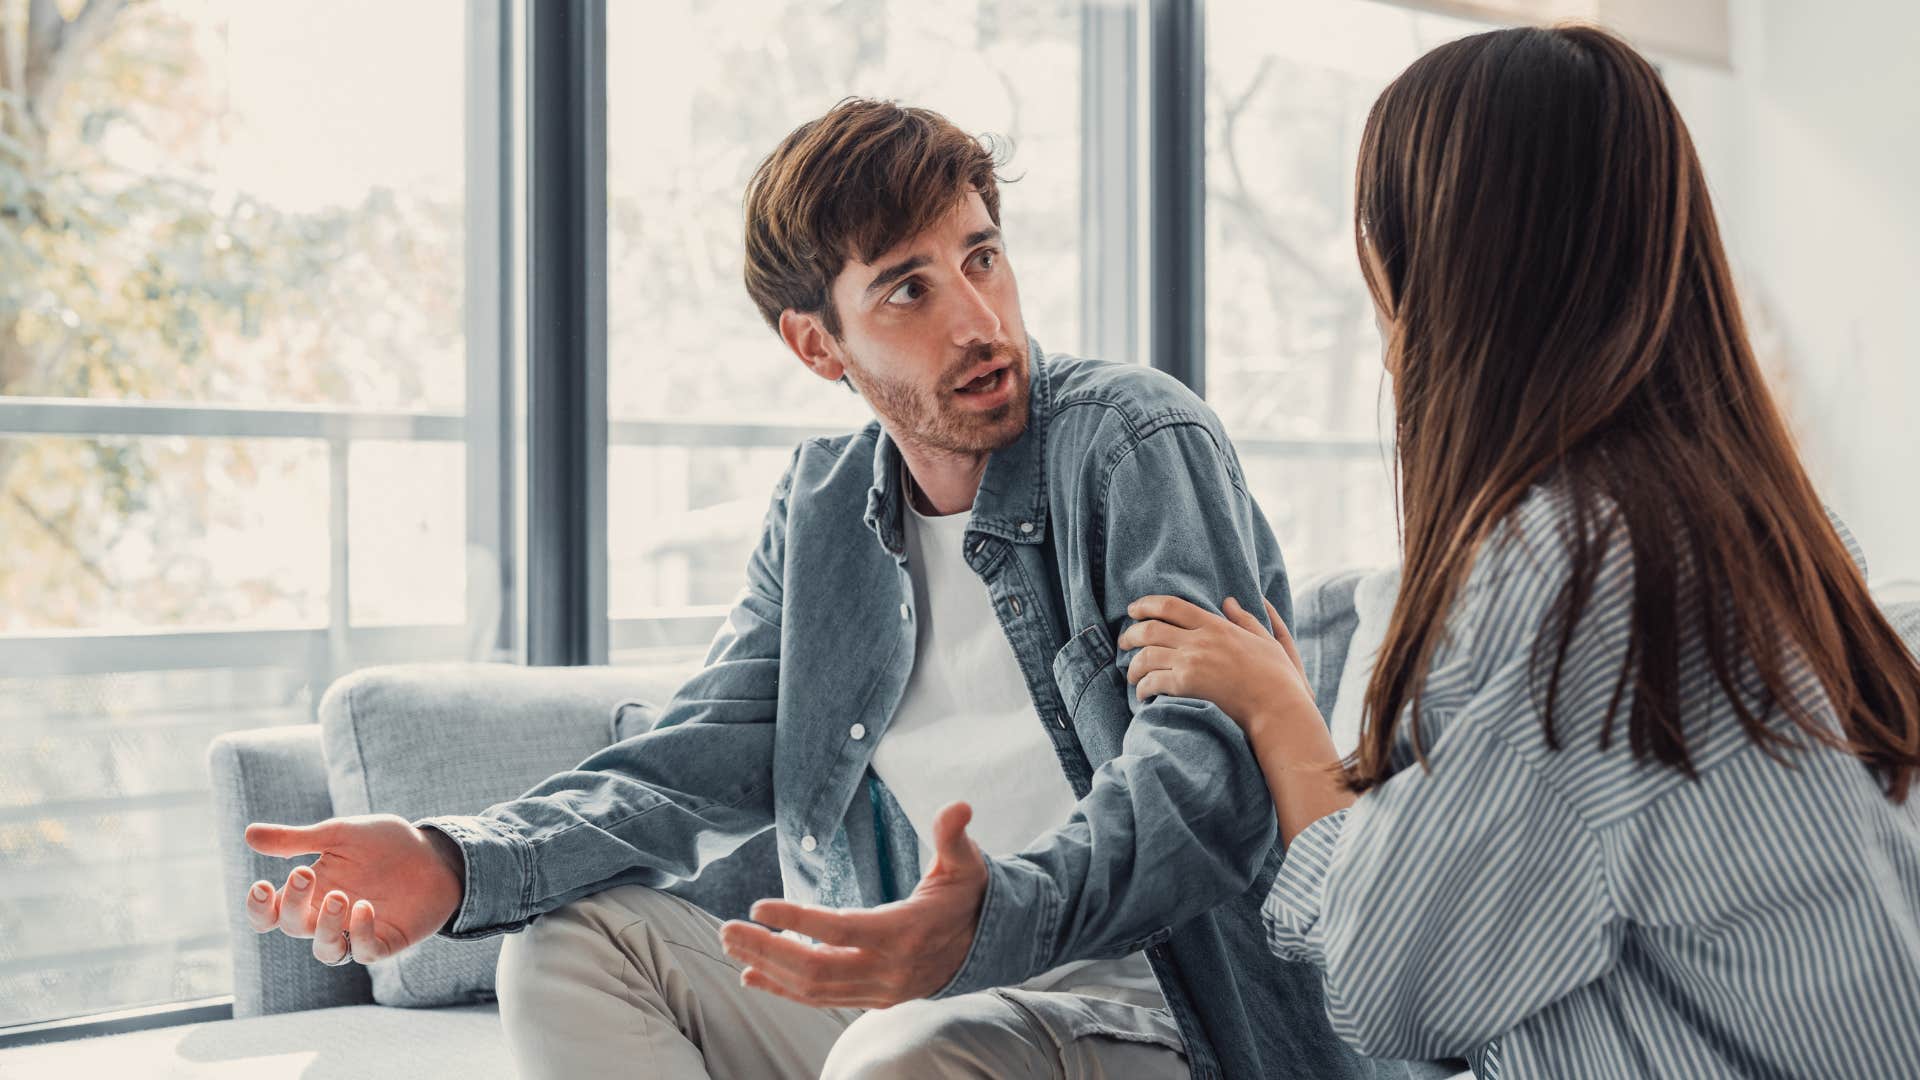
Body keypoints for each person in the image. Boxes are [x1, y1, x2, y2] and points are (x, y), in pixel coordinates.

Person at [238, 98, 1405, 1079]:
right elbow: (701, 753)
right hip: (932, 995)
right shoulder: (823, 512)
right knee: (565, 953)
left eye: (982, 257)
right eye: (909, 290)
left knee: (900, 1061)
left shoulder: (1132, 442)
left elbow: (1204, 775)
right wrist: (458, 860)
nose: (981, 320)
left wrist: (984, 927)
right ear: (817, 344)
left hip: (1165, 1011)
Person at [1115, 24, 1920, 1079]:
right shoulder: (1766, 529)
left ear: (1436, 261)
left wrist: (1278, 715)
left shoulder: (1582, 577)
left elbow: (1394, 988)